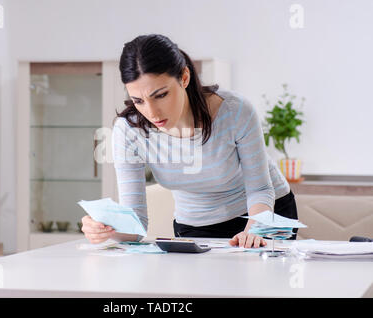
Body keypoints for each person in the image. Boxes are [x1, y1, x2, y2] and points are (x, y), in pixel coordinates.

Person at [81, 34, 299, 248]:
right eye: (139, 101)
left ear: (184, 78)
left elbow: (260, 189)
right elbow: (135, 225)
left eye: (161, 95)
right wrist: (105, 229)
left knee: (258, 279)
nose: (152, 112)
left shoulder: (235, 111)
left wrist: (254, 229)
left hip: (264, 213)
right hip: (195, 223)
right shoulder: (129, 131)